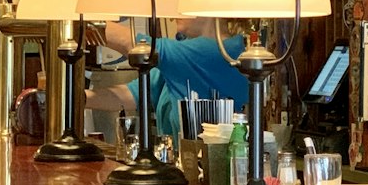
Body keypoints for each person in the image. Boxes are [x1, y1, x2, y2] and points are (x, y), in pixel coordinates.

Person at [87, 17, 248, 142]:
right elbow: (133, 95)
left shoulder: (220, 51)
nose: (174, 14)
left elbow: (134, 45)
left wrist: (80, 22)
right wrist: (79, 98)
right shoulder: (181, 61)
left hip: (215, 172)